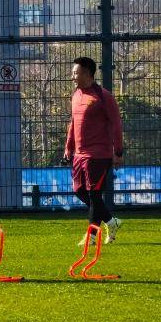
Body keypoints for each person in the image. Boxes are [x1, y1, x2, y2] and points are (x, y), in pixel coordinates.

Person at [65, 57, 124, 245]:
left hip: (98, 155)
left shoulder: (104, 96)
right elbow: (73, 122)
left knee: (94, 194)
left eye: (76, 73)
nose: (73, 77)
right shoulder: (76, 95)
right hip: (79, 154)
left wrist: (118, 152)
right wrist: (68, 147)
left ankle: (91, 236)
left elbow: (116, 125)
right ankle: (111, 221)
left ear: (87, 74)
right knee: (79, 191)